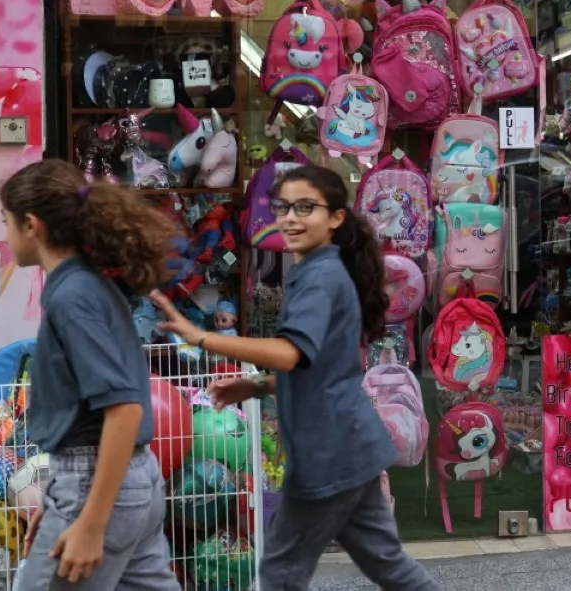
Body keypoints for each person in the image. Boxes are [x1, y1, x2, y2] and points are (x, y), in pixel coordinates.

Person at [151, 165, 441, 591]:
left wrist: (202, 337)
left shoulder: (320, 277)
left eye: (306, 207)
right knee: (388, 565)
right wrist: (257, 385)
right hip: (351, 447)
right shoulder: (321, 271)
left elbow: (291, 354)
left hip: (329, 453)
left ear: (336, 216)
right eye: (283, 207)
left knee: (281, 571)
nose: (290, 218)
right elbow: (322, 368)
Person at [1, 159, 181, 590]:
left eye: (4, 222)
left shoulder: (72, 295)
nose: (4, 236)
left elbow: (123, 410)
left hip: (101, 485)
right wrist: (67, 496)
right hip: (127, 480)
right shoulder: (88, 285)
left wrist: (90, 520)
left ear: (30, 225)